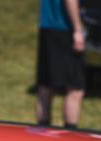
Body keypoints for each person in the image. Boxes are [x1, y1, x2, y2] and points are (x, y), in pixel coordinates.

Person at [35, 0, 86, 128]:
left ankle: (41, 133)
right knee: (75, 89)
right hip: (64, 28)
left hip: (47, 26)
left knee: (46, 85)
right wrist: (78, 29)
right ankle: (70, 137)